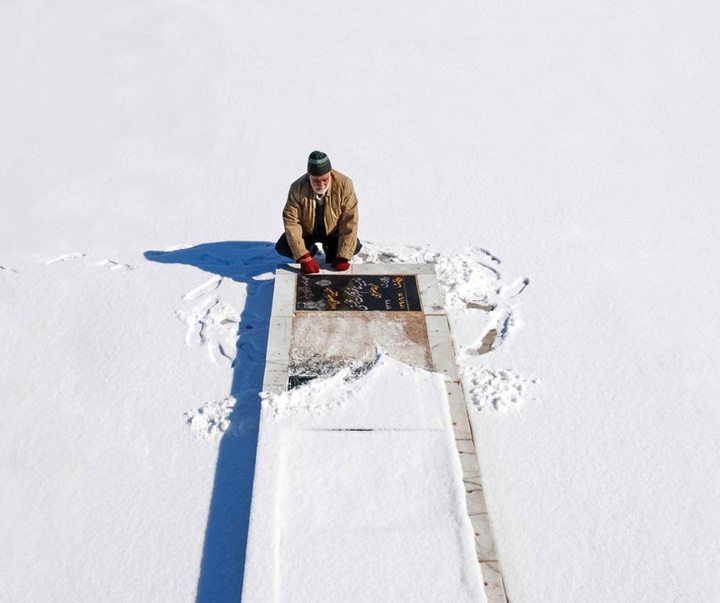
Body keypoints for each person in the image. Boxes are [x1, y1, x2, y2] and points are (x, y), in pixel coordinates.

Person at [275, 151, 362, 274]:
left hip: (333, 232)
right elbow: (291, 221)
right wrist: (303, 256)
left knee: (354, 246)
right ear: (309, 176)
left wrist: (343, 255)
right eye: (316, 181)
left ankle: (330, 249)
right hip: (308, 232)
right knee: (284, 247)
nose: (321, 185)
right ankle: (310, 250)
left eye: (325, 180)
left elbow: (350, 220)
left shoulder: (345, 185)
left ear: (330, 174)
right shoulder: (297, 188)